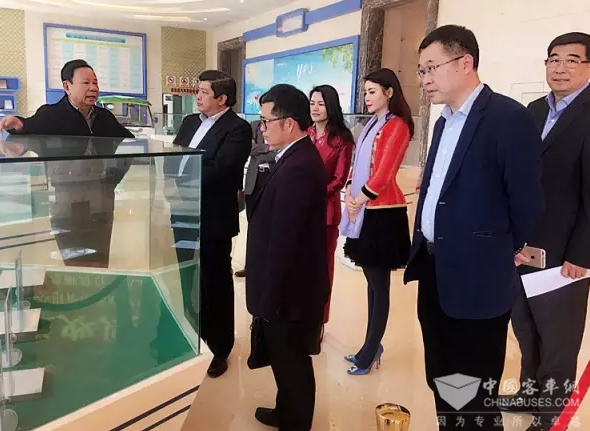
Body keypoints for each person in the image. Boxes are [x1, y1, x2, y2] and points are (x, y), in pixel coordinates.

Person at [403, 25, 544, 431]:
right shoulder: (444, 122)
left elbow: (527, 204)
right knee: (443, 379)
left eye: (431, 67)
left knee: (475, 391)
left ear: (465, 63)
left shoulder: (508, 118)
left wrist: (498, 249)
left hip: (479, 275)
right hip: (435, 269)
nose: (424, 79)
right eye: (421, 70)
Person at [499, 32, 590, 431]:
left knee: (558, 341)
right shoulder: (533, 110)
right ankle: (530, 393)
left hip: (565, 254)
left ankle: (551, 414)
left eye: (572, 60)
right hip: (522, 248)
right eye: (554, 59)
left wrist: (582, 254)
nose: (560, 68)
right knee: (525, 329)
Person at [245, 84, 329, 431]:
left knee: (292, 360)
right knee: (283, 357)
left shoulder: (299, 167)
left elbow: (285, 241)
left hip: (291, 290)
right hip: (288, 287)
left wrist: (271, 297)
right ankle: (285, 410)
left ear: (289, 123)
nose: (262, 128)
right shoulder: (291, 157)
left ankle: (296, 422)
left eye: (266, 121)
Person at [172, 70, 252, 378]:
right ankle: (191, 335)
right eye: (199, 90)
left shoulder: (237, 129)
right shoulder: (190, 122)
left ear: (222, 99)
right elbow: (173, 156)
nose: (198, 96)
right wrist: (176, 177)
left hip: (214, 218)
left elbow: (222, 169)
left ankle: (219, 347)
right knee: (187, 277)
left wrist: (184, 177)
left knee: (214, 283)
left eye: (204, 92)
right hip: (182, 212)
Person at [339, 68, 413, 375]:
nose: (367, 98)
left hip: (383, 214)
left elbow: (384, 173)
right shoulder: (372, 123)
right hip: (365, 210)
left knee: (379, 286)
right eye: (365, 92)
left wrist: (358, 198)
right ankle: (369, 346)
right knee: (372, 284)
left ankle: (370, 350)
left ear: (389, 92)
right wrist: (350, 191)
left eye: (372, 91)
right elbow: (358, 164)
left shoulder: (397, 126)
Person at [308, 85, 354, 325]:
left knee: (323, 270)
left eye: (321, 104)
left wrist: (313, 194)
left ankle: (319, 320)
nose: (315, 108)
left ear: (331, 106)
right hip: (299, 212)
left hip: (325, 213)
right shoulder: (305, 133)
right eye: (312, 103)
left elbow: (339, 179)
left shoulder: (341, 140)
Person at [0, 59, 133, 138]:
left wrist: (114, 174)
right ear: (67, 87)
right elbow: (29, 126)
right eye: (86, 83)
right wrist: (17, 124)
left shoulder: (105, 117)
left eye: (95, 82)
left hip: (100, 178)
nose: (93, 88)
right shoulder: (50, 114)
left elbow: (128, 140)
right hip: (66, 177)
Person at [234, 119, 277, 278]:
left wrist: (259, 152)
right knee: (253, 226)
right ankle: (251, 266)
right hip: (253, 181)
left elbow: (280, 152)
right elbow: (248, 149)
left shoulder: (280, 125)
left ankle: (269, 267)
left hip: (272, 177)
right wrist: (268, 148)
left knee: (271, 226)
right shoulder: (254, 126)